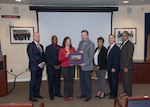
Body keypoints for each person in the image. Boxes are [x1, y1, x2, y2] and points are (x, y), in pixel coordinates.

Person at [77, 30, 95, 102]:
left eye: (84, 35)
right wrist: (79, 52)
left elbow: (91, 56)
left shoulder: (91, 44)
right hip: (80, 65)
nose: (83, 36)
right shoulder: (80, 42)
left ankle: (88, 95)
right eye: (82, 35)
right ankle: (83, 94)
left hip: (87, 66)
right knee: (82, 81)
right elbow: (78, 50)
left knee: (88, 82)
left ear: (87, 35)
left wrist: (85, 63)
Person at [27, 32, 45, 102]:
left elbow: (43, 56)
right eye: (36, 36)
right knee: (33, 81)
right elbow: (31, 57)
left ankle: (37, 93)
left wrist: (43, 63)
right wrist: (38, 64)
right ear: (33, 37)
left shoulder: (41, 46)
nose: (38, 37)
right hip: (34, 67)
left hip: (41, 67)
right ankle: (31, 96)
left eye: (38, 36)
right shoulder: (30, 46)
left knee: (38, 81)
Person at [45, 35, 63, 100]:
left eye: (56, 39)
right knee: (51, 82)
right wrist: (53, 65)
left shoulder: (60, 48)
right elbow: (47, 58)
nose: (55, 40)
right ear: (51, 40)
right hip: (51, 68)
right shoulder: (48, 48)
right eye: (53, 39)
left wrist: (59, 65)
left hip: (58, 67)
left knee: (58, 81)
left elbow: (62, 57)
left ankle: (57, 93)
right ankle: (51, 95)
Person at [58, 37, 76, 101]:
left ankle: (71, 95)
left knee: (71, 81)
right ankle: (66, 96)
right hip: (64, 67)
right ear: (64, 42)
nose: (68, 42)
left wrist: (73, 62)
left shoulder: (73, 49)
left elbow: (75, 58)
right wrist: (66, 56)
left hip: (71, 67)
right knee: (66, 81)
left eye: (69, 41)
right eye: (67, 41)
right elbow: (59, 59)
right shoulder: (61, 49)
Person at [120, 31, 134, 99]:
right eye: (122, 36)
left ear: (127, 36)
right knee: (124, 80)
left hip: (127, 67)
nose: (123, 37)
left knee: (127, 80)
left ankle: (129, 94)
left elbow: (129, 56)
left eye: (125, 36)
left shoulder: (130, 44)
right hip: (122, 66)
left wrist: (126, 66)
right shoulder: (122, 44)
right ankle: (125, 92)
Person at [107, 34, 120, 99]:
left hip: (113, 68)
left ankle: (114, 94)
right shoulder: (109, 47)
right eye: (109, 38)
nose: (110, 39)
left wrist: (114, 67)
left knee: (114, 81)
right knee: (110, 81)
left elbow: (116, 59)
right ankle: (112, 92)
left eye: (112, 38)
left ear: (114, 39)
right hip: (109, 68)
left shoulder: (116, 48)